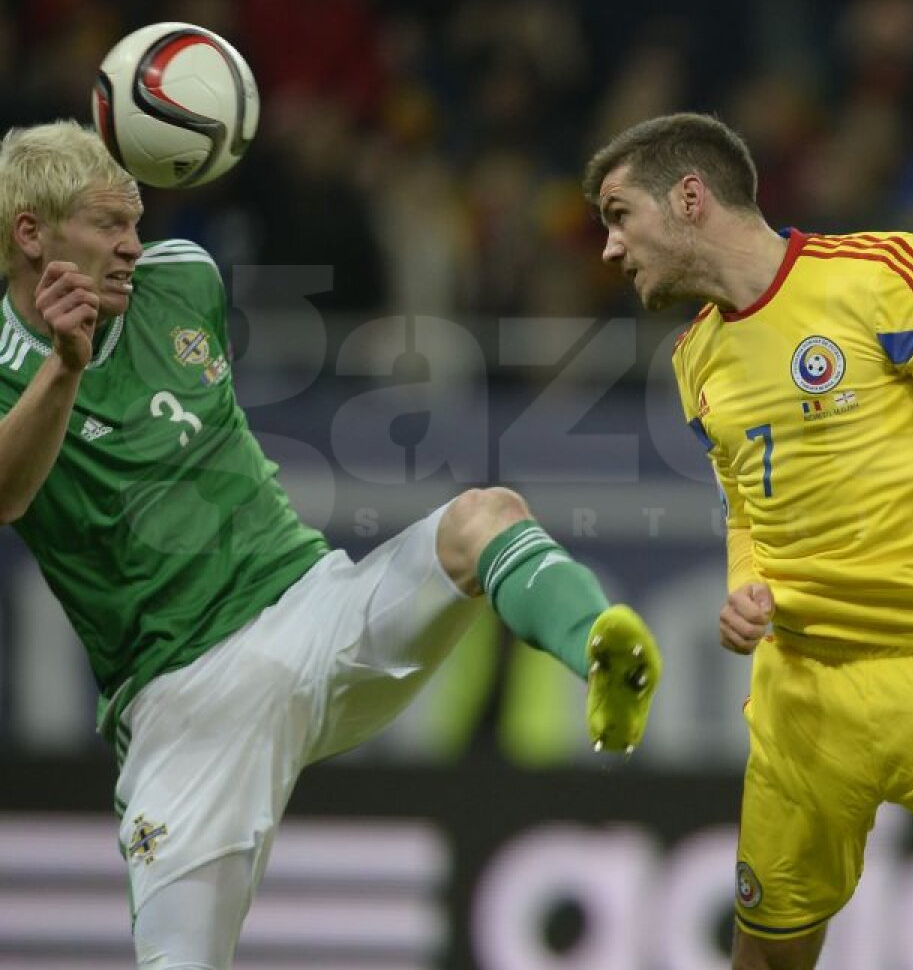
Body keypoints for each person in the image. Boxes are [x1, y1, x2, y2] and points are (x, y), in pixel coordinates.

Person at [0, 119, 661, 969]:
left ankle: (598, 643)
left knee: (484, 518)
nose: (133, 244)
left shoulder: (185, 277)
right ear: (31, 233)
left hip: (312, 604)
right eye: (107, 225)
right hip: (184, 696)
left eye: (134, 221)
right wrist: (64, 365)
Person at [583, 112, 913, 970]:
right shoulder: (694, 361)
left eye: (620, 215)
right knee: (768, 955)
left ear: (690, 197)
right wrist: (746, 585)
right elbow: (746, 508)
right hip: (807, 694)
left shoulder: (882, 273)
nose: (609, 247)